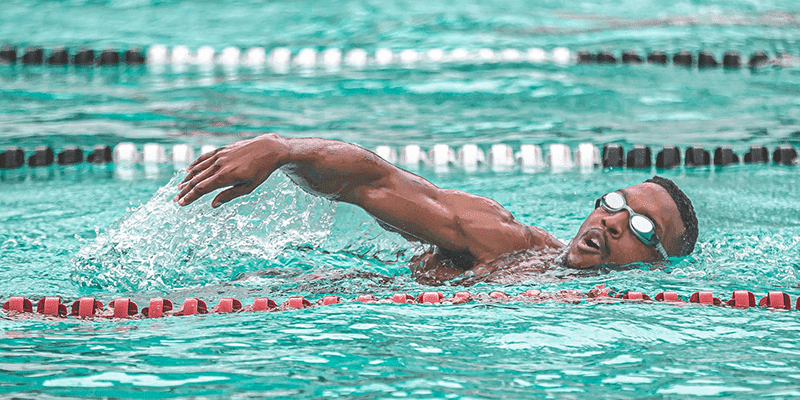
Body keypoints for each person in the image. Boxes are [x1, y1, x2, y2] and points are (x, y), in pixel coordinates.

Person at [173, 134, 698, 283]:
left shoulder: (652, 305)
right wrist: (283, 149)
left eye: (642, 226)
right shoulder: (507, 242)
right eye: (613, 203)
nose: (612, 221)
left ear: (660, 265)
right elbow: (376, 182)